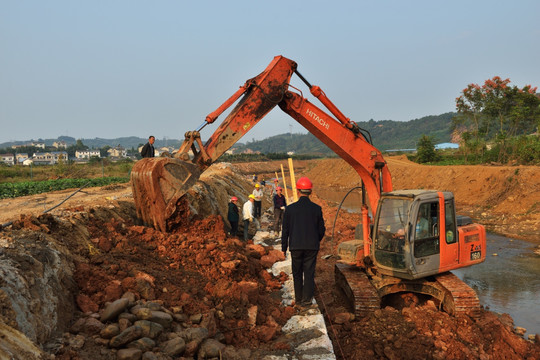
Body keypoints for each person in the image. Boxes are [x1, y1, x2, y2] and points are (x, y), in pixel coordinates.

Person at [281, 177, 325, 309]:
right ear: (310, 191)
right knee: (309, 273)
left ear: (298, 191)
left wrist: (284, 247)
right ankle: (307, 302)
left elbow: (285, 230)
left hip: (295, 247)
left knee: (297, 273)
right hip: (311, 247)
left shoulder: (290, 209)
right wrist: (315, 240)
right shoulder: (316, 209)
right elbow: (321, 230)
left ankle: (299, 300)